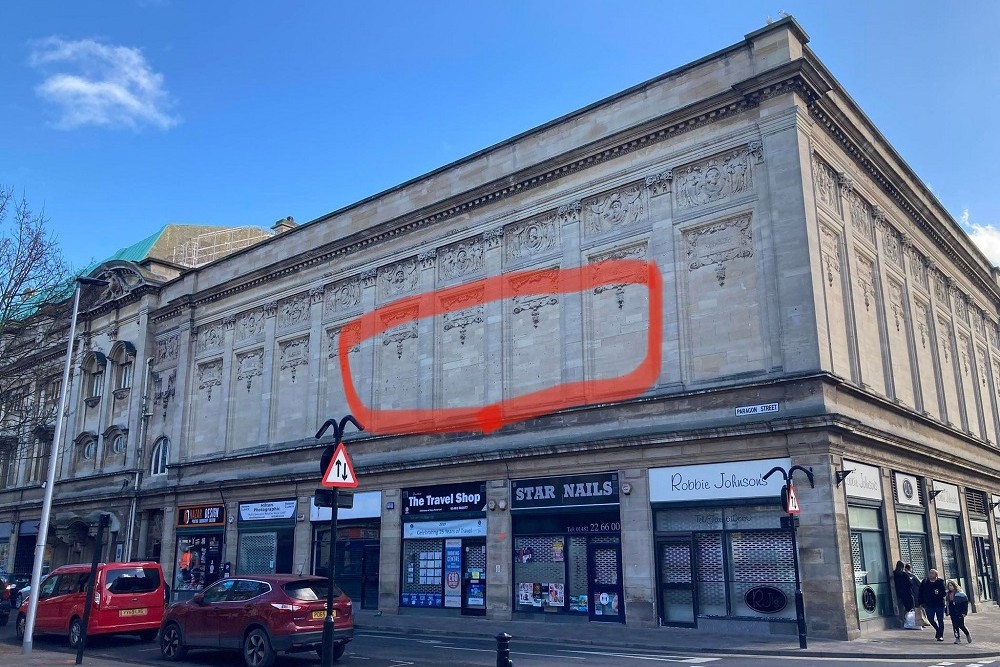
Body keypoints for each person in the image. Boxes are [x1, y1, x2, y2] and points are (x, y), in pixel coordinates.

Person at [918, 568, 947, 641]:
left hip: (939, 604)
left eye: (932, 573)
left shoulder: (940, 582)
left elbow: (944, 593)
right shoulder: (925, 582)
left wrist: (938, 593)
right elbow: (920, 592)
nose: (930, 574)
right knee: (930, 618)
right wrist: (920, 602)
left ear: (936, 575)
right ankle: (937, 630)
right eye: (930, 573)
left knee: (940, 620)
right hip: (929, 604)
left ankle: (940, 635)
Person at [893, 560, 915, 625]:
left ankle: (900, 620)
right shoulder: (904, 574)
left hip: (898, 593)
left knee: (900, 607)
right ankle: (905, 620)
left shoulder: (894, 573)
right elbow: (910, 583)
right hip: (906, 593)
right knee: (907, 607)